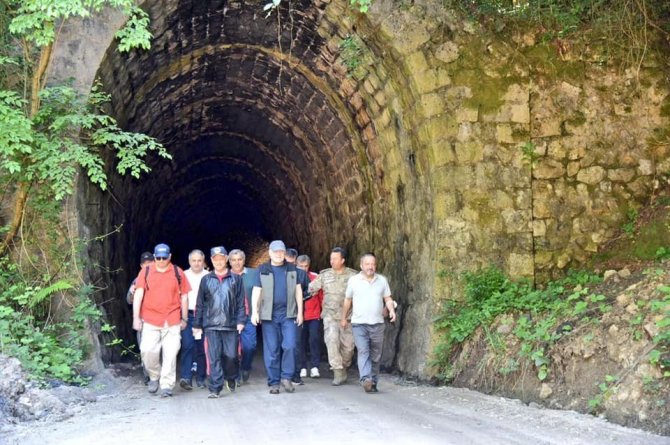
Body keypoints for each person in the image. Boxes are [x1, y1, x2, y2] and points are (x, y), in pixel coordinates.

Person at [132, 243, 191, 398]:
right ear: (154, 257)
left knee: (170, 353)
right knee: (147, 350)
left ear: (169, 257)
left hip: (172, 319)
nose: (161, 260)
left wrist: (184, 318)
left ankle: (166, 385)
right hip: (150, 319)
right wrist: (136, 318)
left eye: (164, 258)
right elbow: (138, 295)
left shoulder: (177, 272)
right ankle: (154, 376)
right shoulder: (146, 271)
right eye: (158, 258)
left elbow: (184, 296)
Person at [251, 240, 308, 394]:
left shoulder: (292, 269)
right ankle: (274, 382)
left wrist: (300, 312)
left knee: (290, 345)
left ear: (284, 253)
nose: (279, 254)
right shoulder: (262, 269)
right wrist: (255, 312)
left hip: (289, 313)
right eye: (276, 252)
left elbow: (298, 291)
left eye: (281, 252)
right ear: (270, 253)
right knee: (272, 349)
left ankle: (286, 377)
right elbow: (257, 291)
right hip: (269, 315)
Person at [192, 246, 245, 399]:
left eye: (221, 258)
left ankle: (231, 376)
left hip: (231, 324)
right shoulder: (206, 280)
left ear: (226, 259)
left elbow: (241, 302)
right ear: (211, 260)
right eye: (216, 259)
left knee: (231, 356)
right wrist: (197, 324)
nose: (219, 261)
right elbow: (200, 304)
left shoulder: (236, 279)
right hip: (211, 325)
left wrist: (241, 320)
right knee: (214, 357)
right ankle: (215, 388)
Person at [341, 253, 396, 393]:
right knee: (363, 350)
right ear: (361, 266)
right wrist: (343, 317)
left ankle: (374, 382)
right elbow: (348, 300)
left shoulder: (382, 280)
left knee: (376, 355)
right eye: (367, 264)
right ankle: (365, 379)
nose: (370, 267)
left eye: (373, 264)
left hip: (377, 323)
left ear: (375, 266)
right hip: (359, 324)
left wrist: (391, 310)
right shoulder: (354, 280)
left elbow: (388, 298)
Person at [307, 247, 357, 385]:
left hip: (348, 316)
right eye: (331, 259)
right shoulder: (324, 275)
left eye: (335, 259)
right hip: (330, 316)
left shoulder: (354, 276)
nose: (332, 261)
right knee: (332, 341)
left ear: (343, 260)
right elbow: (311, 288)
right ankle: (337, 371)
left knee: (348, 347)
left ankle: (344, 367)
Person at [179, 250, 208, 390]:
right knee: (187, 345)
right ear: (189, 261)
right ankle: (186, 377)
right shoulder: (183, 275)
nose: (196, 263)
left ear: (203, 261)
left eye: (199, 260)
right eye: (194, 260)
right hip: (188, 315)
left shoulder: (209, 276)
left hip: (204, 316)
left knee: (202, 347)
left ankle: (201, 378)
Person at [229, 248, 258, 384]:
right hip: (230, 318)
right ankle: (235, 374)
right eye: (234, 260)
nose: (237, 262)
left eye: (239, 259)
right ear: (229, 261)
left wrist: (258, 312)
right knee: (232, 348)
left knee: (249, 346)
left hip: (249, 316)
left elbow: (261, 292)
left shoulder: (254, 274)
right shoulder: (225, 275)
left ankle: (246, 367)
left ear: (244, 260)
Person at [126, 251, 153, 383]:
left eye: (150, 263)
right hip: (143, 321)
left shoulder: (161, 278)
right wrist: (132, 292)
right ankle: (148, 375)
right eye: (145, 263)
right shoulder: (136, 281)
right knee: (145, 348)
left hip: (159, 320)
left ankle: (158, 374)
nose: (147, 266)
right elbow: (129, 301)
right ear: (141, 265)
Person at [296, 254, 323, 379]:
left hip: (314, 314)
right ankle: (302, 366)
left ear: (309, 266)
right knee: (300, 341)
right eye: (300, 266)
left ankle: (314, 366)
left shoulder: (316, 278)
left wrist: (323, 311)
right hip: (298, 315)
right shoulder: (292, 276)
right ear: (296, 265)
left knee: (314, 340)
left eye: (305, 266)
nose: (303, 269)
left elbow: (321, 296)